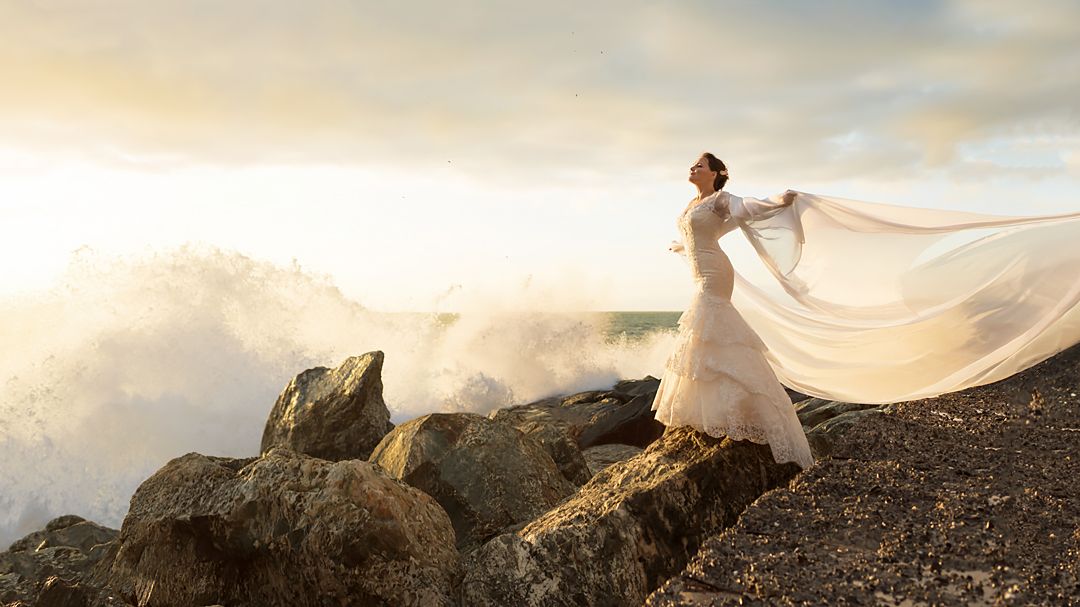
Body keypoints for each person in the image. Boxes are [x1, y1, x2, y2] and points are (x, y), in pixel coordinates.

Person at [651, 152, 816, 469]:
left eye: (700, 165)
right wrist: (682, 247)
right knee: (704, 333)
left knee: (711, 326)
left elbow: (747, 208)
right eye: (693, 164)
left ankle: (744, 410)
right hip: (701, 272)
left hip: (715, 274)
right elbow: (707, 232)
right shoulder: (692, 204)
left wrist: (778, 201)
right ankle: (710, 412)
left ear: (715, 173)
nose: (693, 167)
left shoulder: (722, 199)